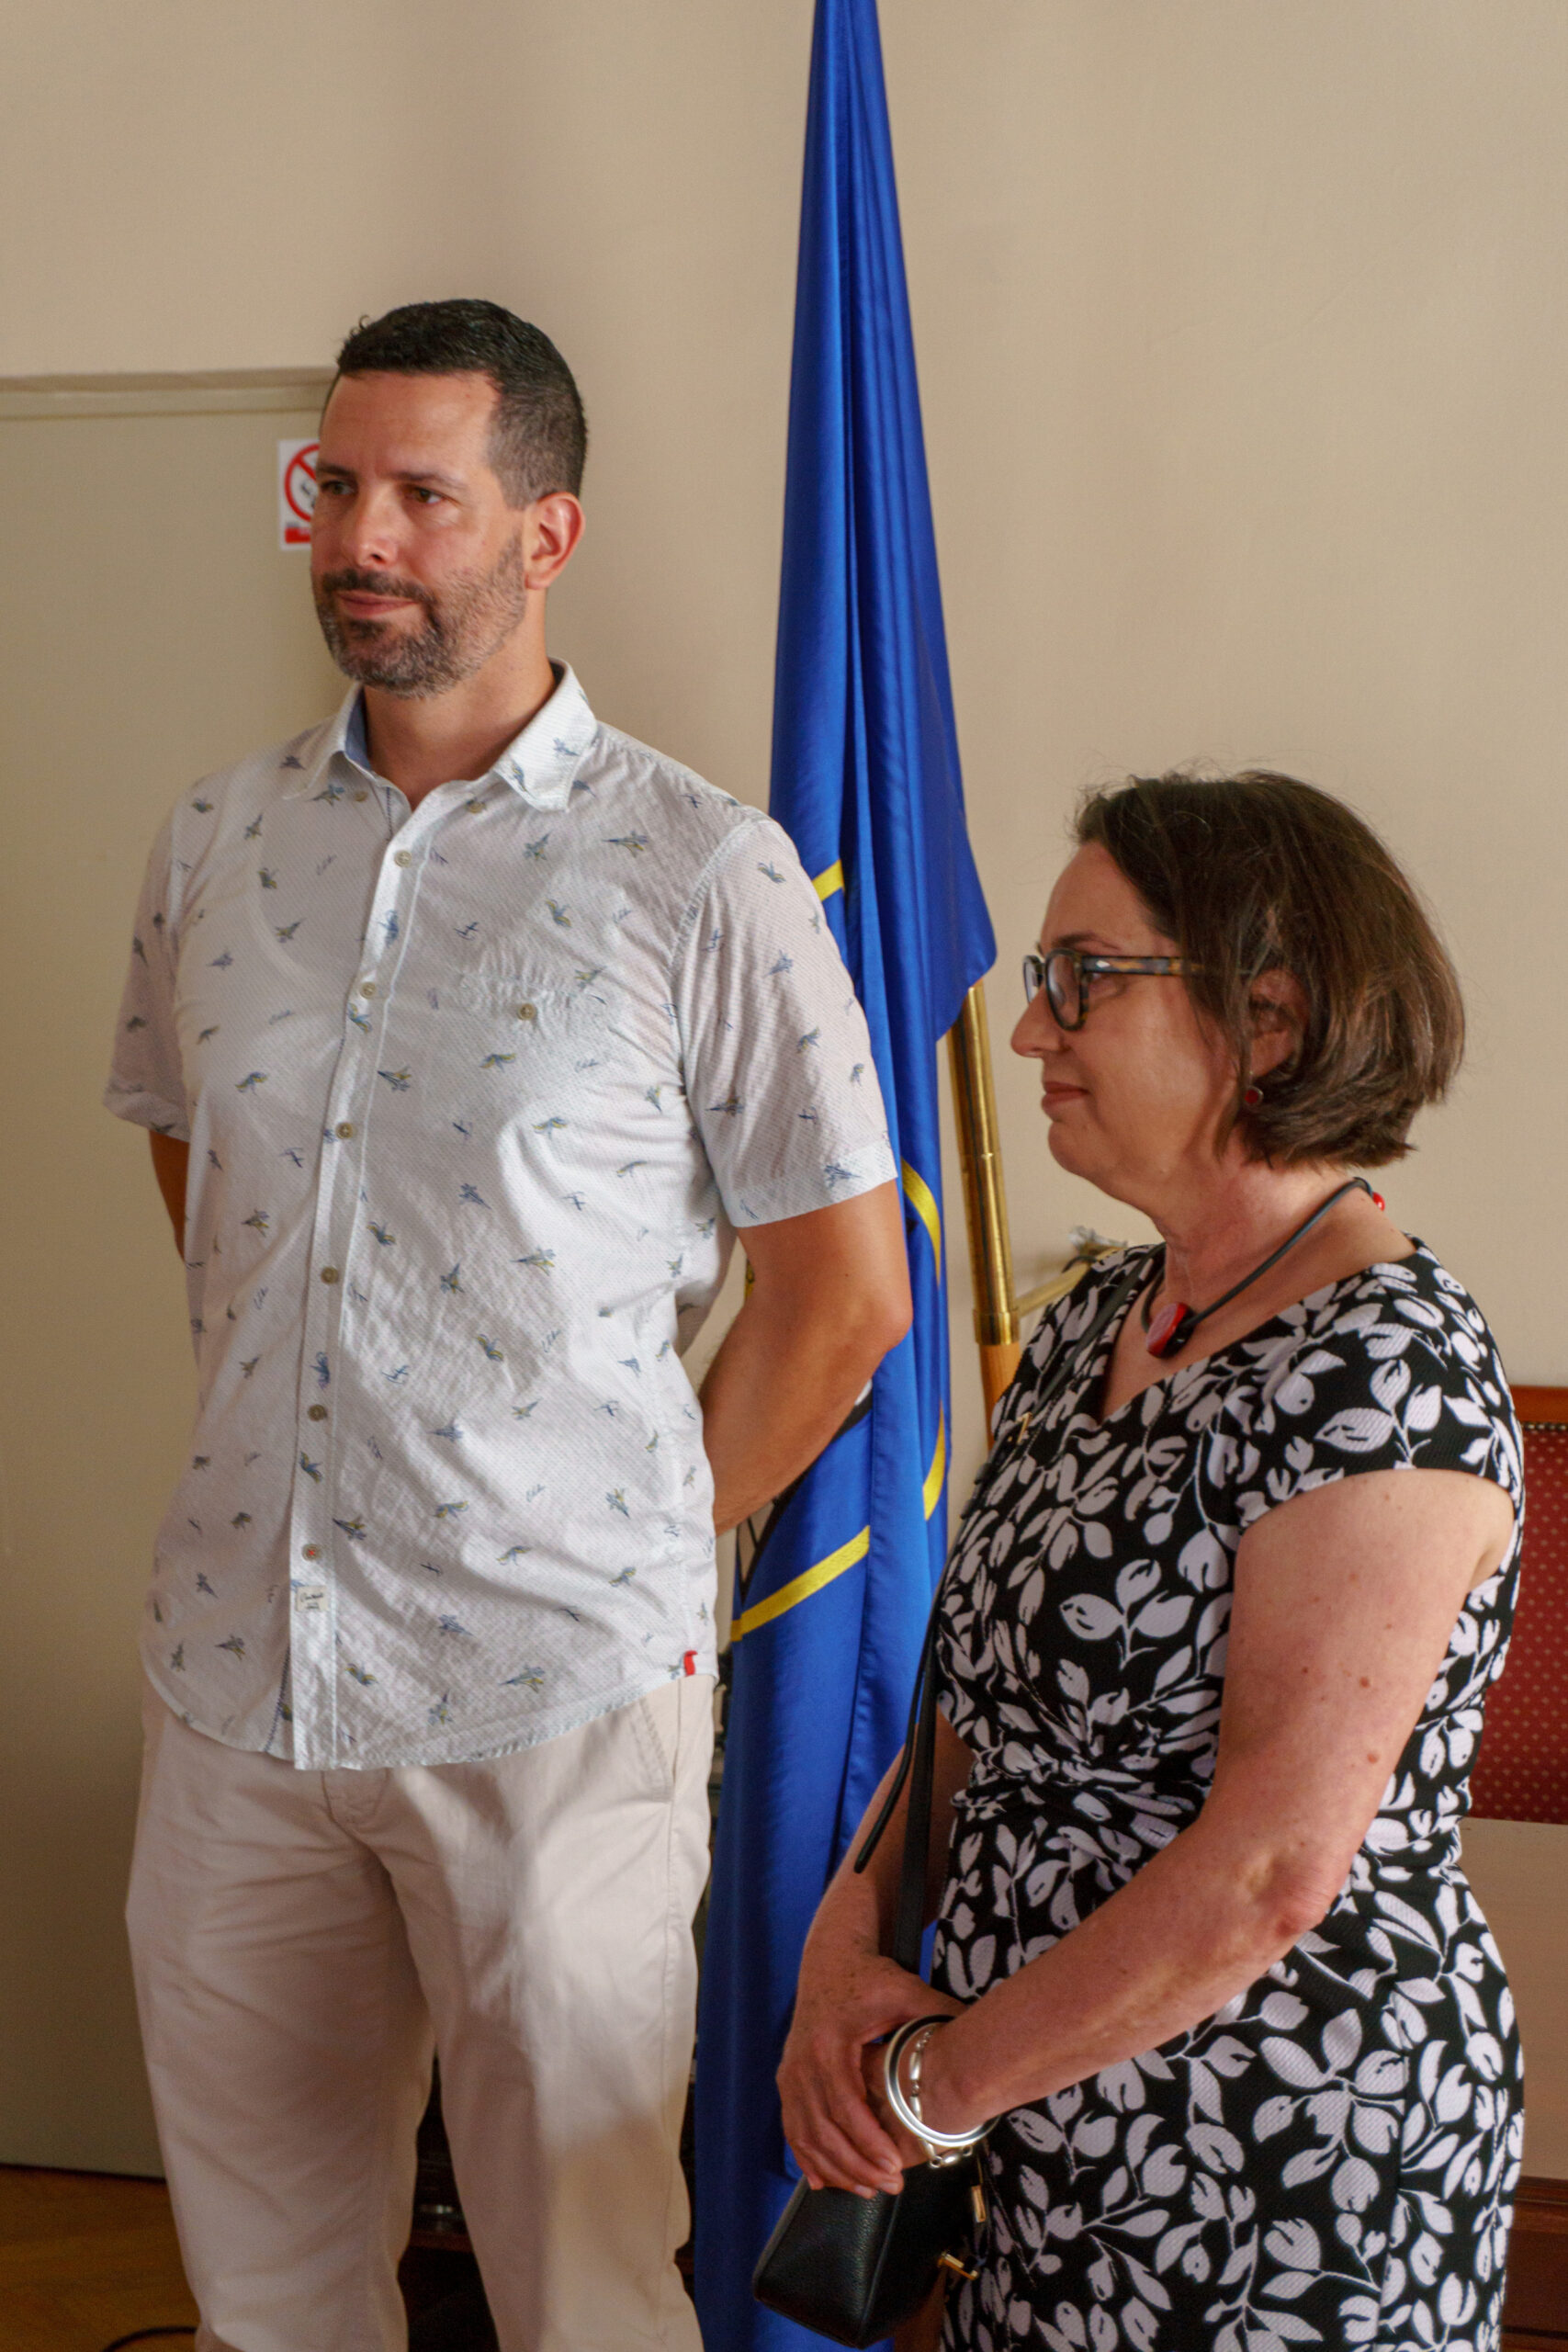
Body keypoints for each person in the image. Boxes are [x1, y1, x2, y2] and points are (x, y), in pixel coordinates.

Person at [105, 297, 911, 2352]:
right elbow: (211, 1180)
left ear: (547, 532)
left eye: (423, 495)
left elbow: (845, 1294)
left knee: (583, 2292)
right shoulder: (214, 841)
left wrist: (629, 1532)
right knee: (265, 2291)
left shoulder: (699, 869)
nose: (359, 536)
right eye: (334, 486)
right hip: (241, 1680)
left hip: (554, 1693)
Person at [781, 772, 1523, 2351]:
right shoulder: (1097, 1324)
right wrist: (838, 1964)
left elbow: (1270, 1874)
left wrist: (932, 2086)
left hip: (1279, 2164)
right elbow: (968, 1710)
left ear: (1269, 1020)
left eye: (1082, 979)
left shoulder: (1386, 1368)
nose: (1028, 1032)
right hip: (1026, 2134)